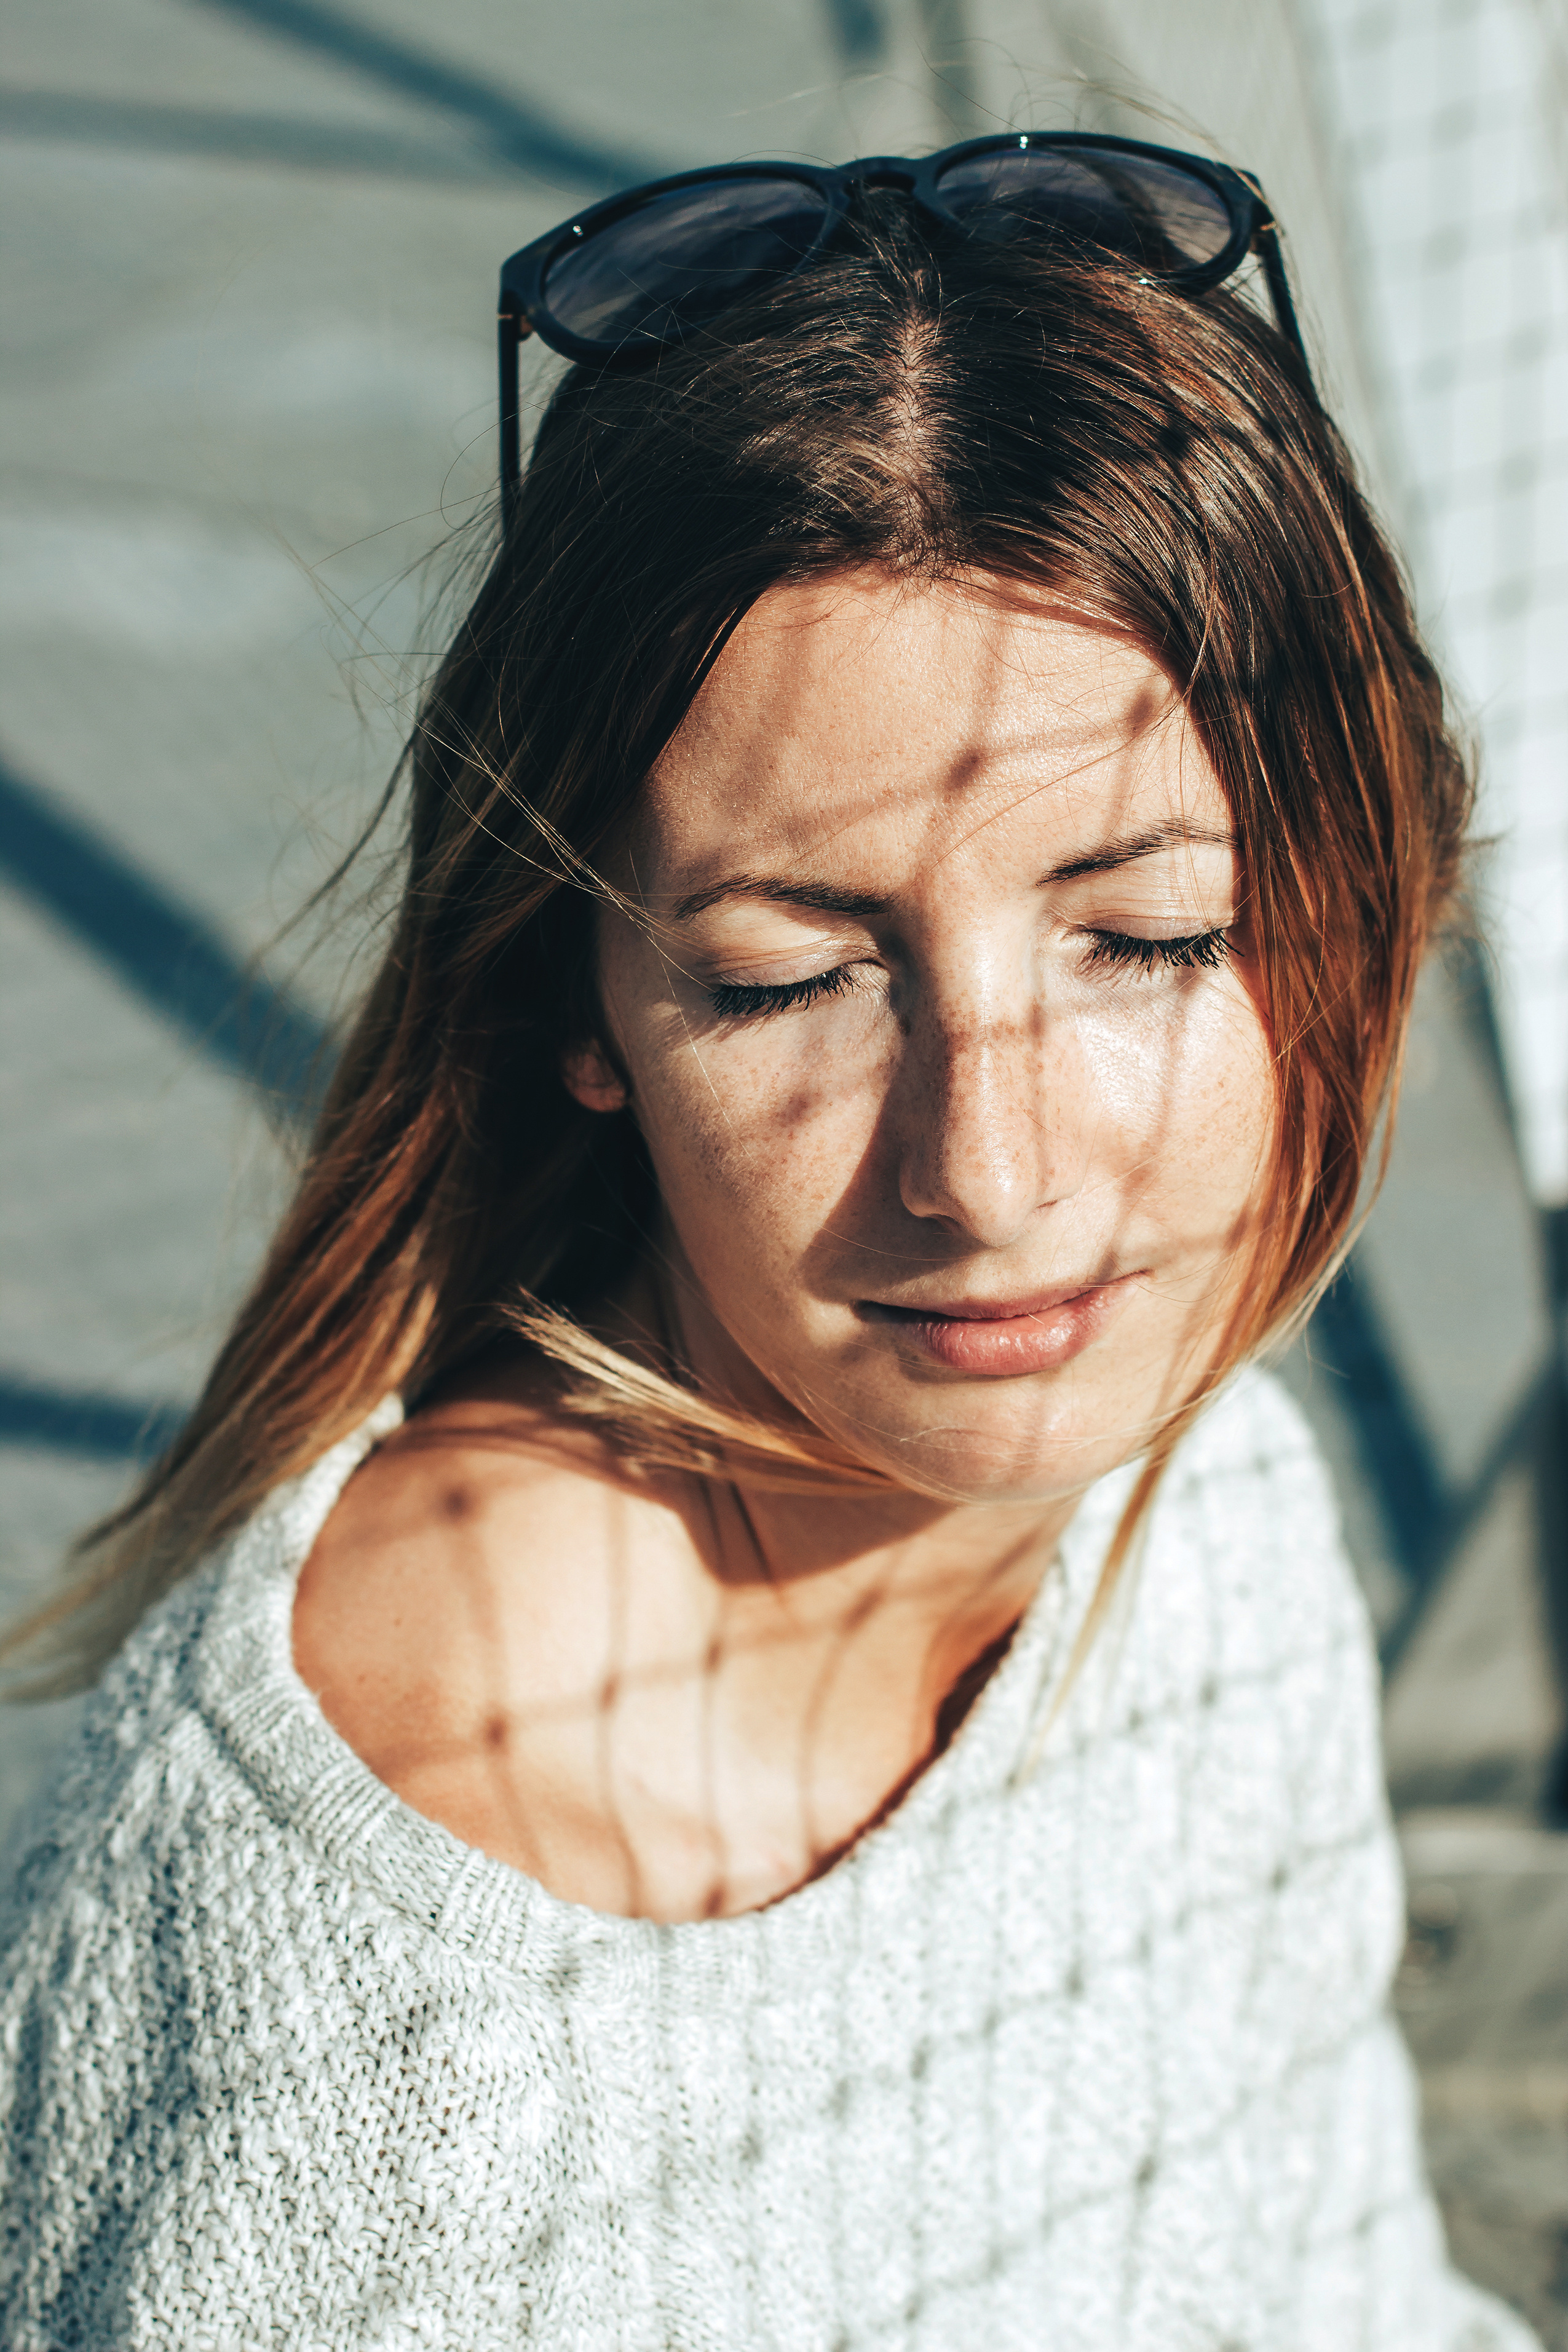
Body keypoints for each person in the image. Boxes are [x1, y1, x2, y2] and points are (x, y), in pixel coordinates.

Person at [0, 137, 1539, 2349]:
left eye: (1148, 936)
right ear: (581, 1006)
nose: (993, 1177)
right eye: (789, 979)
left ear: (1356, 896)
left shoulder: (1201, 1510)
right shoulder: (369, 2046)